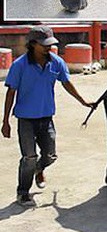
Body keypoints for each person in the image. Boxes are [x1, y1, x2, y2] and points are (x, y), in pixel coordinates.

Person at [2, 25, 93, 207]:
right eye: (44, 45)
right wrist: (5, 122)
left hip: (46, 118)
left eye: (50, 44)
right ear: (33, 44)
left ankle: (38, 170)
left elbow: (66, 83)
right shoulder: (19, 65)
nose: (48, 48)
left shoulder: (56, 62)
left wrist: (83, 101)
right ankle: (23, 192)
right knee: (29, 157)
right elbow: (11, 92)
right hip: (26, 119)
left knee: (50, 156)